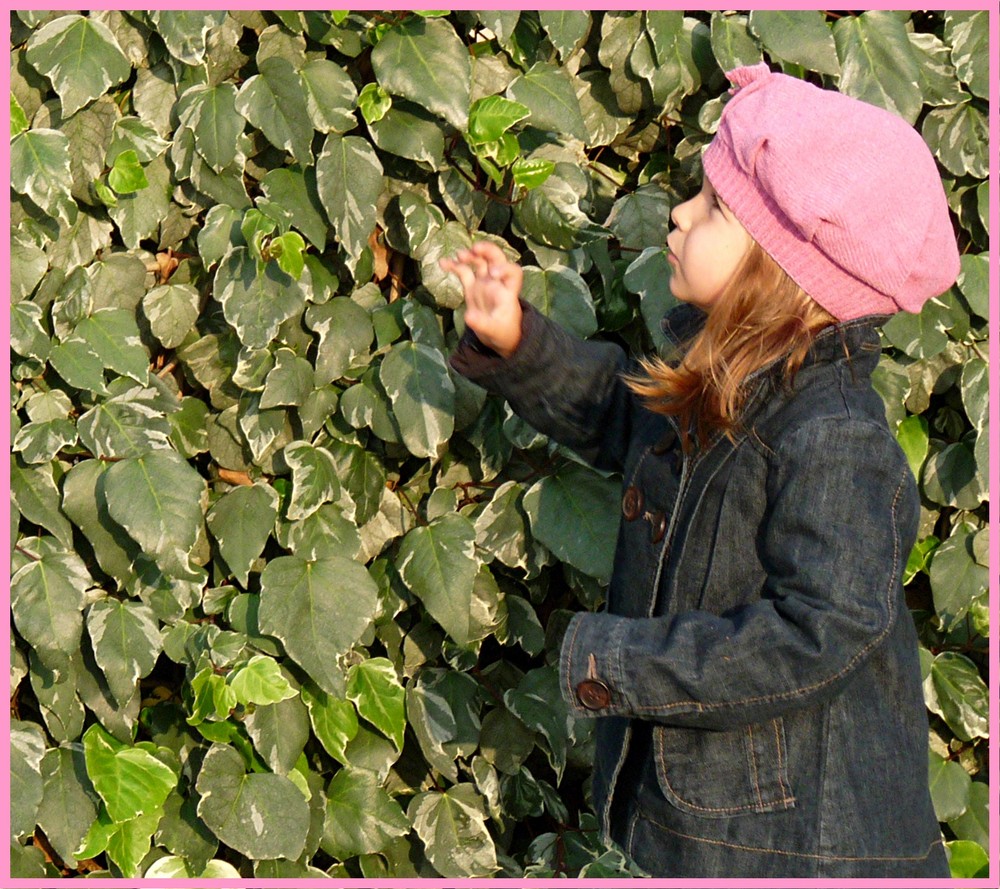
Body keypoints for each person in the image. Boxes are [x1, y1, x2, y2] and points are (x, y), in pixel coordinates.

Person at [441, 63, 959, 878]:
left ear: (783, 274)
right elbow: (627, 418)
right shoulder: (740, 383)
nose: (680, 213)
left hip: (798, 853)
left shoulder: (833, 438)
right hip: (709, 828)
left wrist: (624, 663)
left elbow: (819, 632)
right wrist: (520, 343)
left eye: (716, 207)